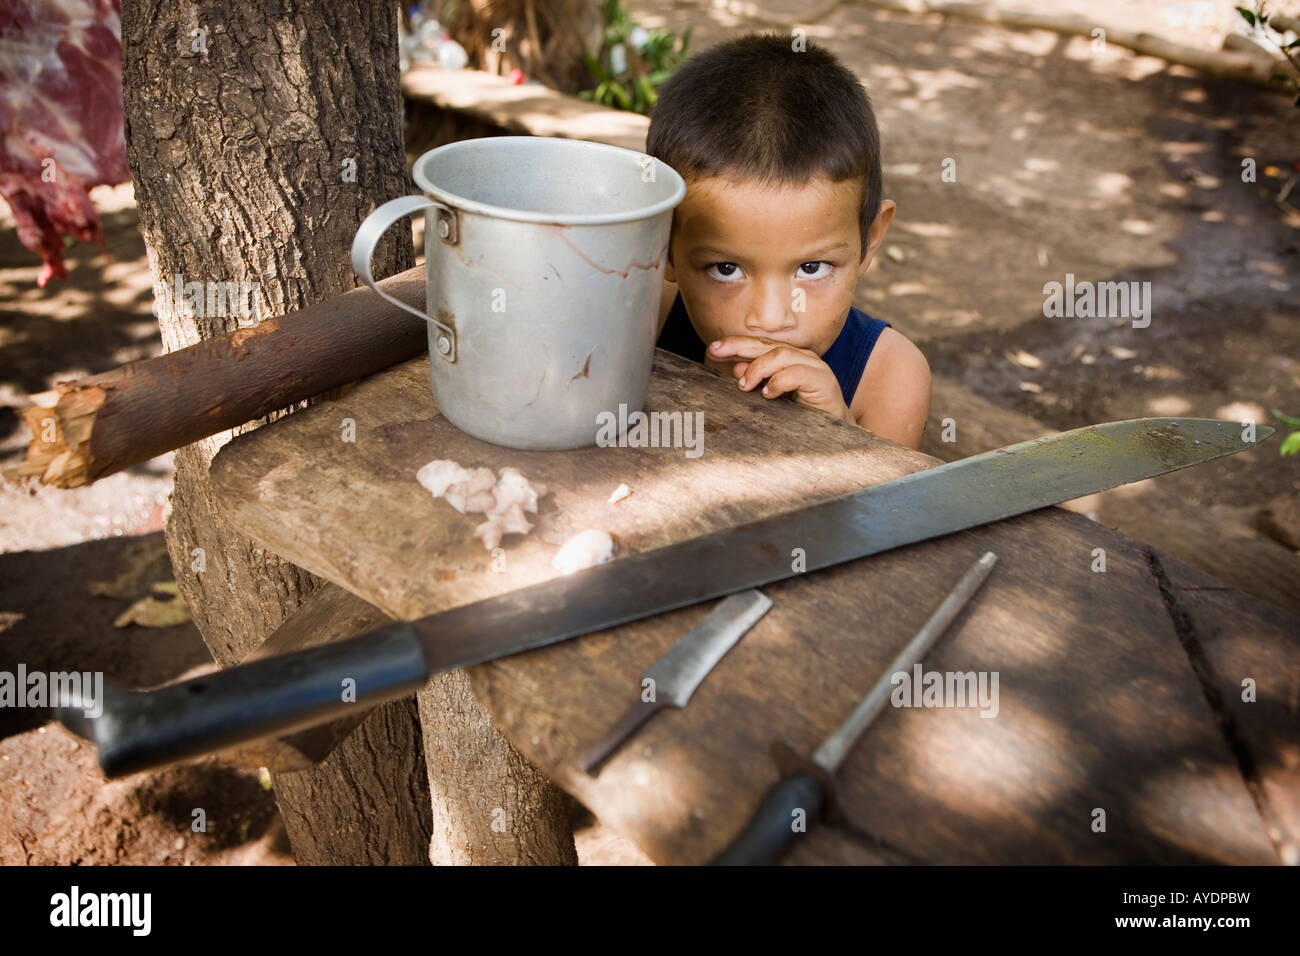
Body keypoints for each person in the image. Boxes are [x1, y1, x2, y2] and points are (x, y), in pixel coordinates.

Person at [648, 32, 931, 450]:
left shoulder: (891, 376)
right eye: (726, 269)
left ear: (870, 239)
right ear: (662, 244)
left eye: (811, 268)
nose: (771, 318)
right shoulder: (645, 316)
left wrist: (834, 431)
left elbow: (879, 512)